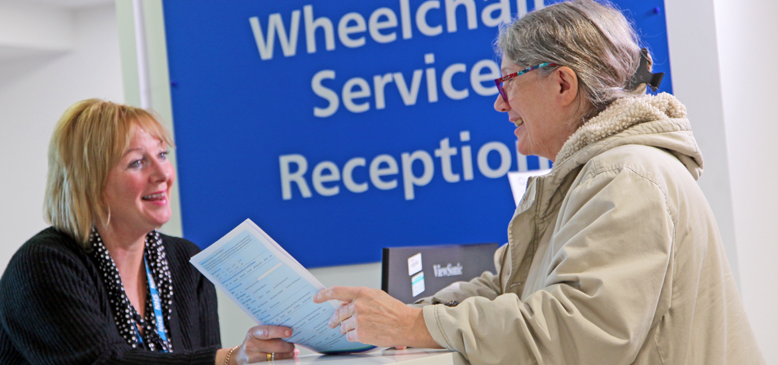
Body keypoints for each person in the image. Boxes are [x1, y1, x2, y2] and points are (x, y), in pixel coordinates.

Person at [313, 0, 765, 363]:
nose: (499, 104)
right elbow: (510, 287)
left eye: (506, 81)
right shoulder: (594, 173)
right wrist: (399, 317)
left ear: (563, 85)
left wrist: (415, 326)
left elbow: (579, 334)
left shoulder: (624, 175)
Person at [0, 99, 295, 364]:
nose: (162, 174)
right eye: (137, 162)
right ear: (92, 182)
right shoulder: (44, 264)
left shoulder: (184, 261)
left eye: (161, 155)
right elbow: (104, 363)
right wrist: (228, 359)